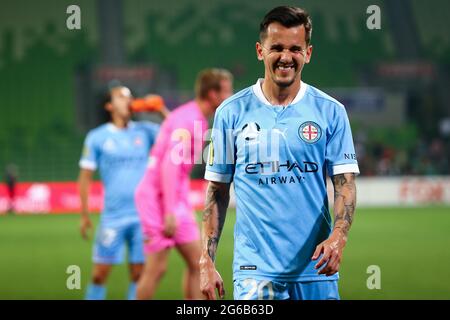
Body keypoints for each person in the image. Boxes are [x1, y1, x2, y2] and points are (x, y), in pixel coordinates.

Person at [200, 6, 359, 300]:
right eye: (277, 47)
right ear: (261, 51)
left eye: (295, 48)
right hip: (255, 271)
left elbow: (345, 184)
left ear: (308, 53)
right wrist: (206, 260)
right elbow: (217, 190)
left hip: (315, 268)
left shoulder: (331, 112)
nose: (286, 56)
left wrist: (339, 237)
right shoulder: (230, 112)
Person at [135, 68, 233, 300]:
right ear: (212, 94)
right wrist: (170, 211)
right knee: (159, 268)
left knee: (196, 263)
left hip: (170, 197)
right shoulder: (190, 120)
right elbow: (169, 165)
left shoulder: (187, 116)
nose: (231, 96)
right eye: (227, 91)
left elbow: (174, 133)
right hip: (159, 200)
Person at [78, 85, 167, 300]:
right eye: (120, 97)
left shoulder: (145, 130)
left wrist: (161, 111)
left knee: (138, 274)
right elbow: (85, 177)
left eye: (129, 96)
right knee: (99, 274)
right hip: (113, 217)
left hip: (142, 217)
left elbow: (178, 133)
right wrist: (84, 214)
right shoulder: (97, 137)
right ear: (109, 105)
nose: (127, 100)